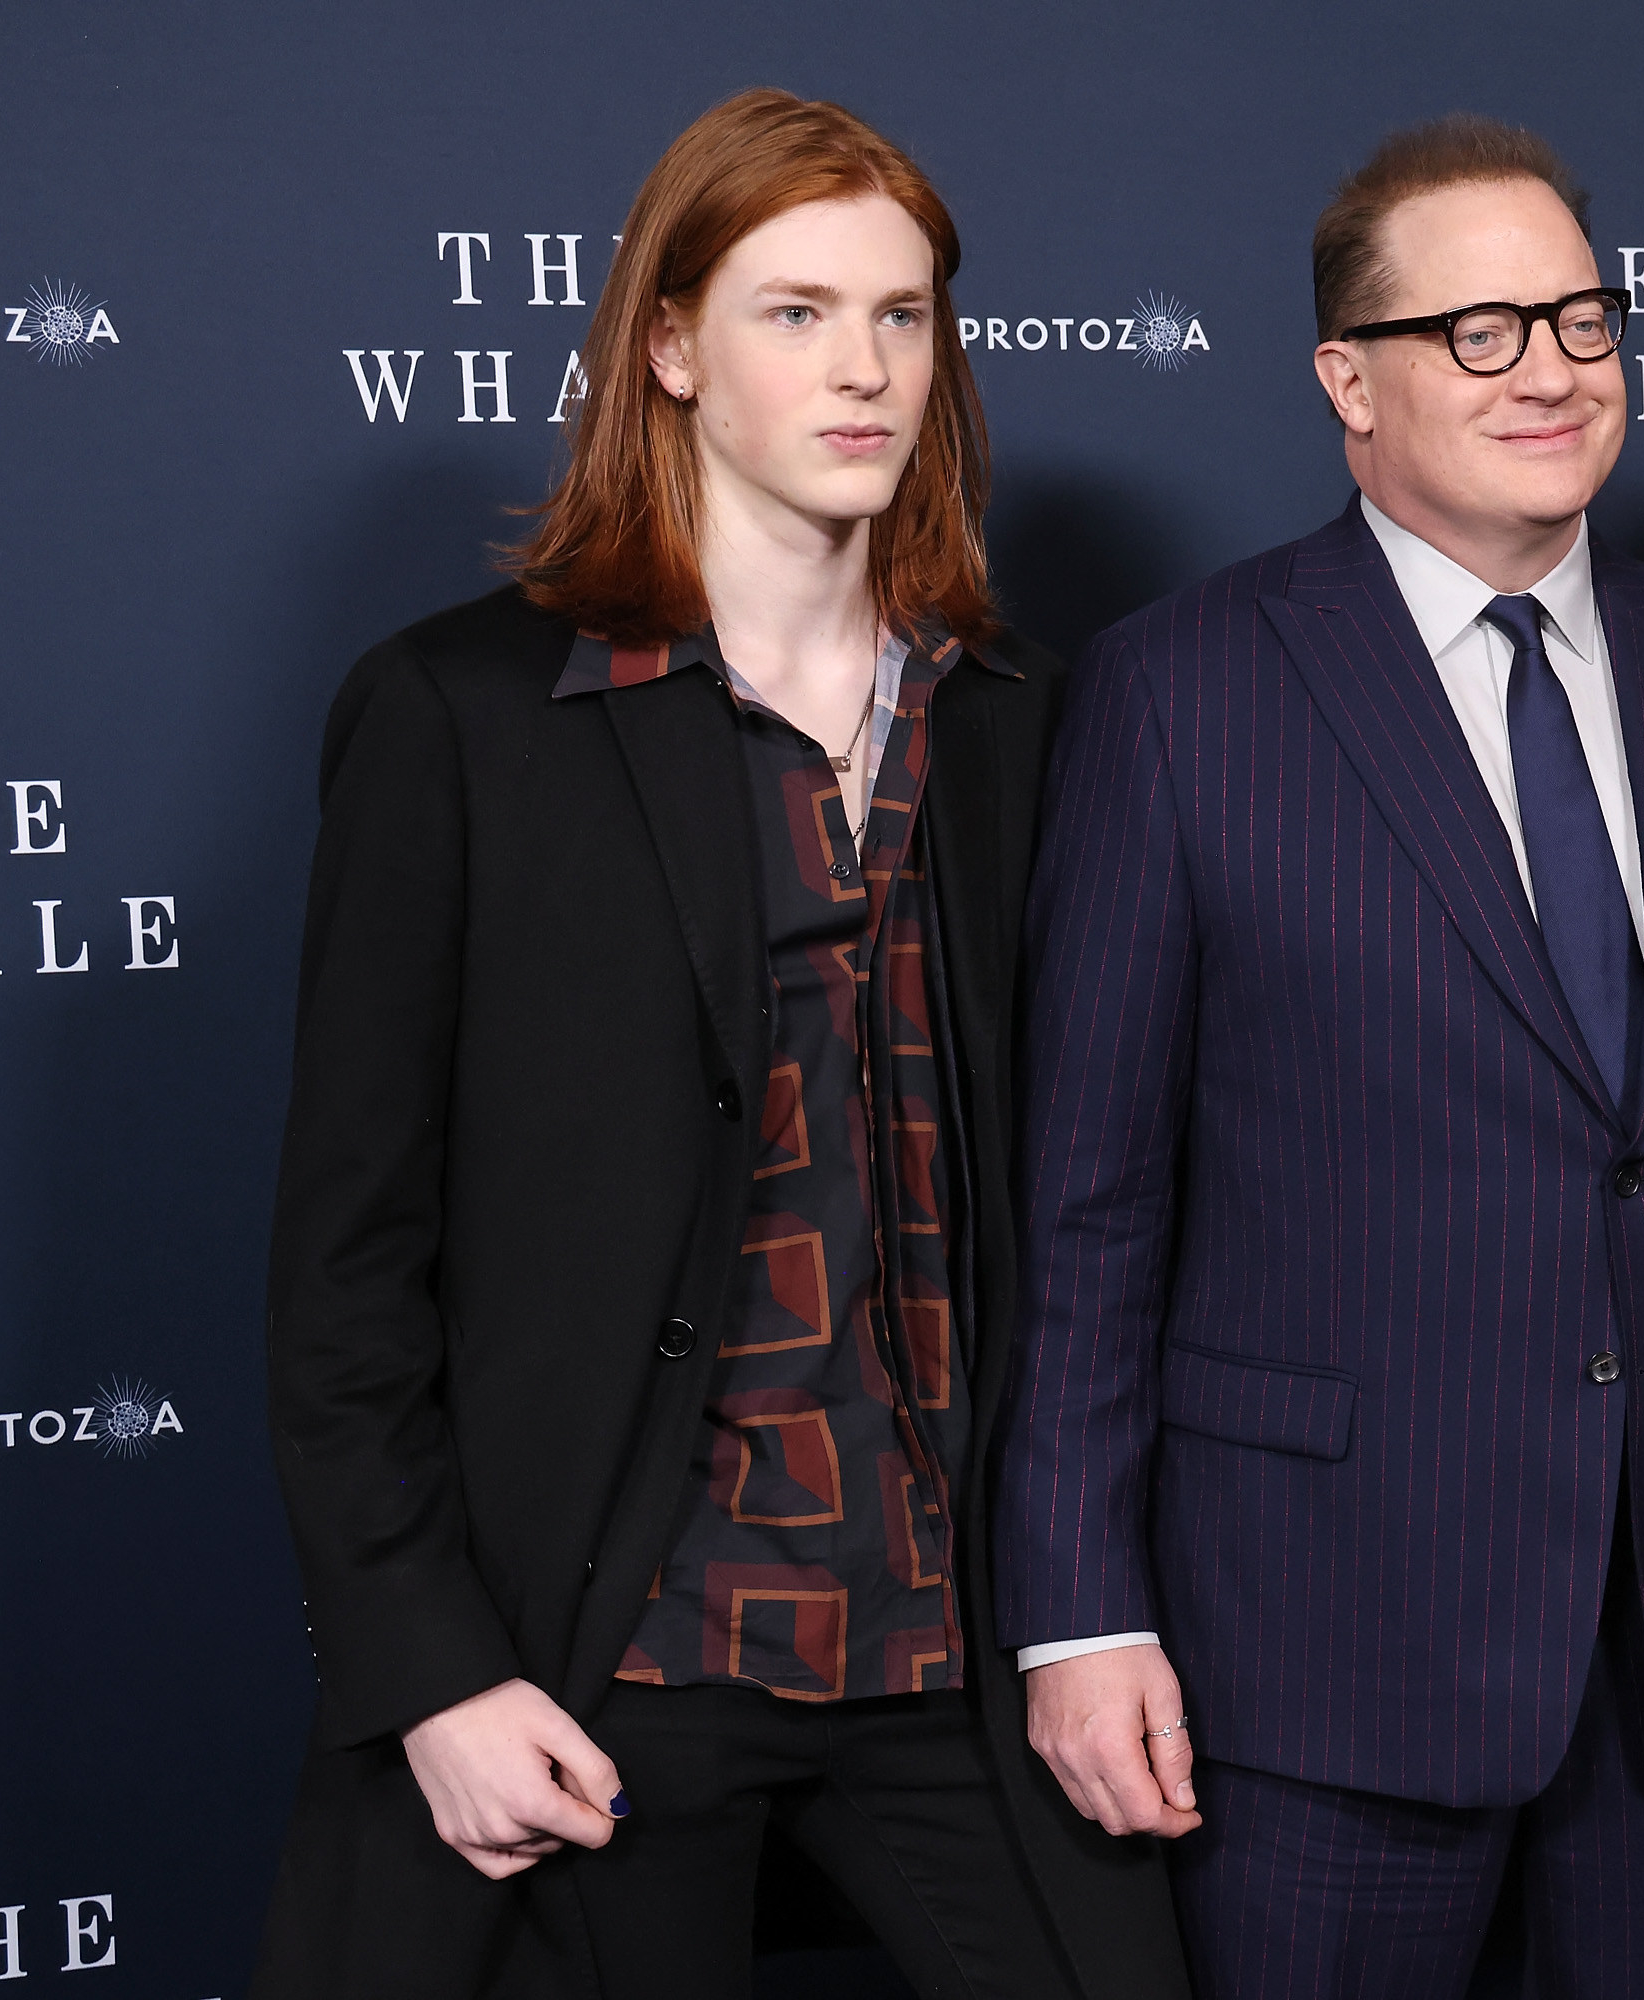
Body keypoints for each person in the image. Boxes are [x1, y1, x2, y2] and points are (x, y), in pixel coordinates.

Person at [995, 114, 1644, 1999]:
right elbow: (1093, 1204)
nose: (1551, 366)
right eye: (1480, 329)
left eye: (1582, 316)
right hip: (1322, 1638)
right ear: (1345, 381)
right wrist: (1075, 1613)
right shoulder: (1177, 693)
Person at [255, 89, 1183, 2000]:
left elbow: (1098, 1209)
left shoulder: (1023, 721)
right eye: (797, 311)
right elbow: (349, 1263)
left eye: (904, 315)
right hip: (611, 1650)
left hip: (957, 1638)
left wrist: (1097, 1600)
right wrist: (430, 1667)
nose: (865, 370)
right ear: (668, 344)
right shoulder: (469, 718)